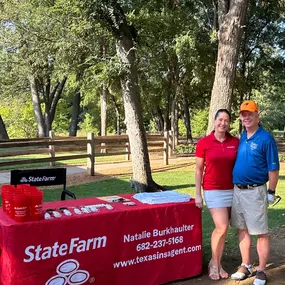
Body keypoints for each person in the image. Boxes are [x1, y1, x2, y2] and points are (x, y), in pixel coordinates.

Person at [230, 100, 279, 285]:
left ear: (257, 115)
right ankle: (246, 265)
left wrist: (271, 191)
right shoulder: (242, 136)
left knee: (260, 232)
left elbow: (273, 169)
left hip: (255, 191)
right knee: (242, 229)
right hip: (238, 191)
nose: (246, 117)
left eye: (250, 113)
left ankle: (261, 270)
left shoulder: (265, 138)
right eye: (243, 114)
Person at [195, 109, 239, 280]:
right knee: (222, 226)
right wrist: (197, 194)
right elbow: (199, 170)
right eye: (220, 119)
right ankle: (214, 263)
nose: (223, 123)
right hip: (213, 190)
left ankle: (218, 262)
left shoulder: (235, 142)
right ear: (214, 121)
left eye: (227, 120)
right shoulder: (204, 143)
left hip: (233, 190)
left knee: (224, 230)